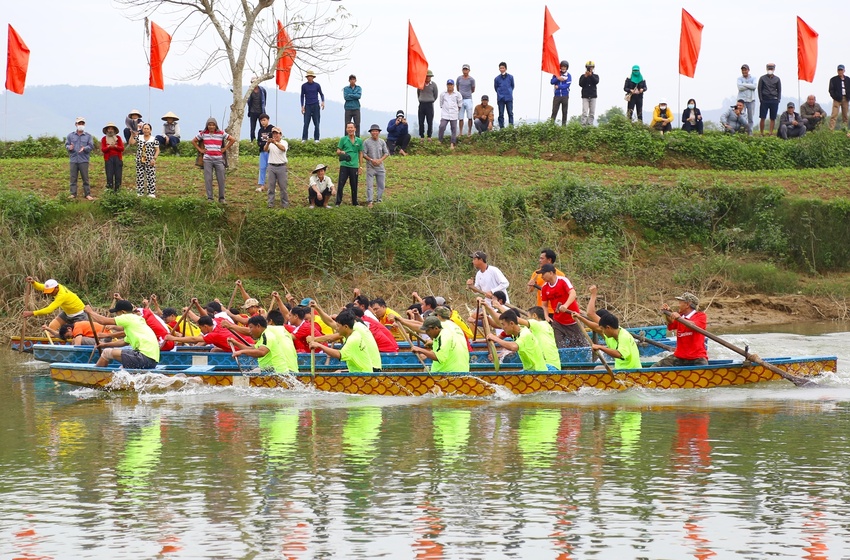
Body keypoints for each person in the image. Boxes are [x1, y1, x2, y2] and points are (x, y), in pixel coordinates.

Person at [85, 300, 160, 369]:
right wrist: (104, 345)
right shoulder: (136, 320)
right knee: (122, 368)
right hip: (152, 362)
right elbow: (124, 342)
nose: (116, 316)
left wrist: (90, 312)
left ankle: (96, 375)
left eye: (117, 313)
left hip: (143, 357)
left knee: (106, 352)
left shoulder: (127, 317)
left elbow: (103, 321)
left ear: (123, 312)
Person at [308, 310, 373, 373]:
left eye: (338, 326)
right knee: (338, 372)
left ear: (346, 327)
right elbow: (330, 323)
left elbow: (339, 354)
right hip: (358, 372)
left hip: (363, 376)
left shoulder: (353, 339)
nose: (336, 328)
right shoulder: (353, 333)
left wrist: (319, 345)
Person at [572, 311, 641, 370]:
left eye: (602, 329)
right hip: (620, 368)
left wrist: (600, 347)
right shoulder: (613, 332)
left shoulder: (624, 337)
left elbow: (619, 354)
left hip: (631, 371)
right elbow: (595, 327)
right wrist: (580, 318)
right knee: (597, 368)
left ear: (608, 328)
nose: (601, 331)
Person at [538, 264, 585, 348]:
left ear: (551, 273)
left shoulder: (563, 281)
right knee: (559, 345)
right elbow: (544, 305)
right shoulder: (544, 288)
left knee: (580, 345)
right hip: (558, 321)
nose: (542, 277)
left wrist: (566, 305)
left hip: (573, 318)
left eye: (543, 274)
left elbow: (573, 293)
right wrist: (546, 316)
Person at [656, 292, 708, 367]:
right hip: (679, 357)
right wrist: (667, 313)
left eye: (680, 303)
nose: (678, 305)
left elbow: (693, 325)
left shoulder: (701, 316)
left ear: (687, 305)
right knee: (655, 367)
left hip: (697, 358)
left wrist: (679, 318)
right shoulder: (680, 317)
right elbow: (671, 323)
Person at [232, 314, 298, 373]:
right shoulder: (280, 331)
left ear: (258, 326)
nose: (250, 330)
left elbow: (261, 352)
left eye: (251, 327)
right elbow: (254, 349)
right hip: (289, 369)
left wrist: (241, 352)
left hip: (279, 371)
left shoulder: (267, 333)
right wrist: (236, 343)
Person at [192, 117, 236, 203]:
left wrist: (225, 148)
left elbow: (232, 139)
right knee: (208, 179)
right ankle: (210, 198)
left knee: (221, 179)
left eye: (213, 125)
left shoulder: (221, 133)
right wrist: (200, 150)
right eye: (209, 125)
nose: (211, 127)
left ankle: (222, 198)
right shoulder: (203, 133)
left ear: (216, 126)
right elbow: (193, 141)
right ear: (207, 126)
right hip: (207, 159)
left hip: (219, 159)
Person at [166, 314, 254, 351]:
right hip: (249, 341)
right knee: (214, 350)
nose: (200, 330)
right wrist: (189, 312)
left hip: (244, 348)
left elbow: (194, 339)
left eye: (200, 328)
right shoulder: (219, 320)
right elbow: (201, 319)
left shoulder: (213, 335)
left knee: (213, 350)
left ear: (206, 326)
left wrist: (173, 338)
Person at [526, 248, 564, 313]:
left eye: (542, 258)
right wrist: (530, 285)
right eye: (539, 258)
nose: (539, 260)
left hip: (555, 309)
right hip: (541, 309)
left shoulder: (560, 275)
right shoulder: (536, 273)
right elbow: (528, 291)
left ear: (549, 260)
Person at [335, 122, 364, 206]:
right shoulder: (343, 139)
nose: (350, 129)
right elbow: (338, 151)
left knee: (354, 185)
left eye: (352, 127)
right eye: (348, 128)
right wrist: (341, 152)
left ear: (355, 129)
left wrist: (361, 166)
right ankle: (338, 202)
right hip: (344, 165)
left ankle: (355, 203)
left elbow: (361, 153)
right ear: (346, 129)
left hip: (354, 166)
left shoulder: (359, 140)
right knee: (341, 184)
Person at [66, 117, 94, 200]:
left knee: (85, 178)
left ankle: (87, 194)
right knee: (73, 178)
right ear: (76, 124)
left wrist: (84, 148)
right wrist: (69, 147)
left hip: (84, 160)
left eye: (82, 123)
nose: (81, 125)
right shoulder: (70, 135)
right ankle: (73, 194)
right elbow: (66, 145)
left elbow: (91, 146)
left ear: (84, 124)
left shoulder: (88, 136)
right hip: (73, 159)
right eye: (79, 123)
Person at [363, 123, 389, 207]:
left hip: (380, 167)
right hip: (370, 167)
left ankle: (379, 200)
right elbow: (364, 154)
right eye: (373, 131)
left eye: (376, 131)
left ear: (379, 132)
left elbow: (386, 153)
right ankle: (370, 201)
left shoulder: (382, 142)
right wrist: (371, 160)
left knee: (381, 185)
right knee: (369, 185)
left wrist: (380, 160)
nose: (374, 133)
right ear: (370, 132)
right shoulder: (366, 142)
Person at [130, 122, 159, 198]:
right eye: (144, 128)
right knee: (140, 177)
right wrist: (132, 135)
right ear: (142, 129)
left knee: (151, 177)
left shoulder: (154, 139)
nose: (146, 130)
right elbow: (131, 143)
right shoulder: (139, 137)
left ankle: (151, 193)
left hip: (150, 161)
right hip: (140, 160)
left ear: (150, 130)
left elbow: (157, 150)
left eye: (147, 129)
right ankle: (140, 192)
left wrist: (154, 158)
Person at [264, 126, 289, 208]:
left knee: (283, 187)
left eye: (277, 134)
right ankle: (270, 203)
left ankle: (285, 204)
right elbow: (265, 149)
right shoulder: (270, 143)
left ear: (280, 134)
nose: (275, 135)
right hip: (271, 166)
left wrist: (275, 143)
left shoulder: (284, 142)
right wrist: (268, 143)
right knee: (271, 187)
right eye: (274, 134)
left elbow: (283, 149)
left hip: (281, 166)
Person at [300, 70, 325, 143]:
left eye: (310, 76)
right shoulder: (304, 86)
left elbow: (321, 94)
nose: (309, 78)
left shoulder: (317, 85)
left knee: (316, 123)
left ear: (313, 77)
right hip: (307, 105)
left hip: (316, 105)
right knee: (306, 123)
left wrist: (323, 102)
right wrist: (302, 106)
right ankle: (304, 138)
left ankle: (316, 139)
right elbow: (302, 96)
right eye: (308, 76)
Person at [438, 79, 463, 149]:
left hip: (454, 114)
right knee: (442, 126)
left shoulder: (457, 94)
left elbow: (460, 104)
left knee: (454, 129)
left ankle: (452, 143)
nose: (450, 86)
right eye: (448, 85)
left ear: (453, 86)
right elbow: (441, 103)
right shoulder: (443, 94)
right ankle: (440, 140)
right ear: (446, 85)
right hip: (445, 113)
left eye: (451, 85)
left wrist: (456, 110)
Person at [758, 63, 781, 136]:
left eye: (771, 68)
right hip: (765, 99)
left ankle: (770, 132)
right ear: (766, 69)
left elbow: (779, 90)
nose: (770, 70)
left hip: (774, 100)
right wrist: (761, 99)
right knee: (762, 117)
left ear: (774, 69)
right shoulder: (762, 78)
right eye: (769, 68)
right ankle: (761, 133)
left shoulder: (777, 79)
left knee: (773, 118)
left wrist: (778, 99)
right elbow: (759, 89)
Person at [100, 122, 125, 192]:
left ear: (114, 130)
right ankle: (109, 191)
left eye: (112, 129)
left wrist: (115, 146)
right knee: (109, 176)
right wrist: (109, 147)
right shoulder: (104, 139)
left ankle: (118, 192)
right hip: (108, 159)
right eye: (109, 129)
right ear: (107, 130)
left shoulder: (118, 138)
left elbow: (122, 148)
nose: (110, 130)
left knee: (118, 176)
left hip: (118, 158)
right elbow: (103, 149)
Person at [417, 70, 438, 139]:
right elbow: (418, 93)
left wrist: (431, 100)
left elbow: (435, 95)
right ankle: (421, 136)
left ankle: (429, 136)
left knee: (429, 121)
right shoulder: (420, 84)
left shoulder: (433, 85)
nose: (428, 78)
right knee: (421, 121)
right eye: (426, 76)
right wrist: (421, 99)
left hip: (429, 104)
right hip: (422, 104)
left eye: (429, 76)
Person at [828, 64, 850, 130]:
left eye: (841, 70)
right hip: (837, 99)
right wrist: (835, 96)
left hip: (845, 99)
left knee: (845, 115)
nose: (840, 71)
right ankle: (831, 130)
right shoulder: (833, 79)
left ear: (844, 71)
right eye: (839, 70)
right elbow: (831, 90)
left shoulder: (848, 79)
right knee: (834, 115)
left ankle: (844, 129)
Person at [255, 113, 273, 193]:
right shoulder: (260, 130)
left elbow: (274, 140)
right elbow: (259, 142)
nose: (263, 122)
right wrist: (264, 144)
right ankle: (262, 185)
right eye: (261, 120)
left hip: (271, 152)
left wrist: (266, 143)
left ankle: (271, 186)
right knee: (262, 168)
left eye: (264, 120)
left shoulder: (272, 129)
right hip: (262, 152)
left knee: (271, 169)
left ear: (268, 120)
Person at [456, 64, 476, 136]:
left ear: (469, 70)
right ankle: (460, 132)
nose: (465, 70)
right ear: (462, 70)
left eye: (466, 69)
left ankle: (469, 132)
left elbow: (473, 89)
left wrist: (467, 93)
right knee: (460, 117)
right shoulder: (459, 78)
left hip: (468, 99)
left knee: (469, 116)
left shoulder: (471, 79)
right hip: (461, 99)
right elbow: (457, 87)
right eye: (464, 69)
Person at [550, 60, 571, 125]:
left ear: (567, 67)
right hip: (557, 95)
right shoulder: (556, 74)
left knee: (564, 111)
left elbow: (567, 85)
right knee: (554, 111)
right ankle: (551, 125)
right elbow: (552, 82)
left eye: (564, 67)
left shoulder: (568, 75)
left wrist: (559, 86)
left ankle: (563, 126)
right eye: (562, 66)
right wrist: (558, 78)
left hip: (565, 96)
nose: (563, 68)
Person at [494, 62, 515, 129]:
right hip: (500, 98)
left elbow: (512, 86)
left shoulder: (510, 77)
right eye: (500, 68)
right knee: (501, 114)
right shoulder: (497, 78)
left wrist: (509, 92)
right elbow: (496, 88)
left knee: (510, 113)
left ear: (505, 68)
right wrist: (500, 93)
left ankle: (511, 127)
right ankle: (502, 128)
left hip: (509, 98)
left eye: (503, 68)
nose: (501, 69)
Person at [737, 64, 757, 133]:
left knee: (750, 118)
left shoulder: (753, 78)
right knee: (742, 116)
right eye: (743, 70)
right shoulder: (739, 78)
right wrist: (749, 85)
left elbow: (754, 86)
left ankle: (750, 132)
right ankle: (742, 131)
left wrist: (744, 84)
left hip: (751, 100)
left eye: (745, 70)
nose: (744, 71)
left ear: (748, 70)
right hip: (742, 101)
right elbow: (739, 88)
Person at [579, 60, 599, 126]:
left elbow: (596, 81)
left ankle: (590, 125)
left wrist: (591, 75)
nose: (590, 68)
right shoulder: (583, 76)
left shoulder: (596, 76)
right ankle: (583, 125)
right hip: (585, 96)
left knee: (592, 112)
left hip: (593, 96)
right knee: (585, 112)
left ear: (593, 68)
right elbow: (581, 84)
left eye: (591, 67)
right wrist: (585, 76)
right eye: (588, 67)